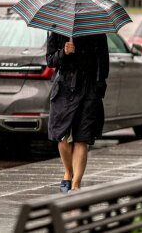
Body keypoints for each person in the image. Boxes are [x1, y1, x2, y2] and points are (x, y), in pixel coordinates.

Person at [46, 32, 109, 193]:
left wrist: (98, 89)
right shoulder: (57, 29)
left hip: (89, 89)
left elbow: (103, 62)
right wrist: (64, 52)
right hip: (64, 89)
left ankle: (76, 184)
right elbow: (50, 60)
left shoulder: (96, 31)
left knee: (82, 137)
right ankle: (68, 171)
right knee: (62, 136)